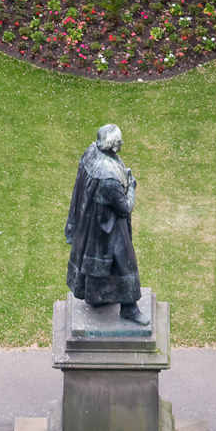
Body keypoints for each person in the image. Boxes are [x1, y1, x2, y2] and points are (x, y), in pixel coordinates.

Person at [64, 124, 150, 326]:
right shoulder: (108, 179)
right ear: (112, 145)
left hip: (91, 224)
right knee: (124, 264)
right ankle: (130, 308)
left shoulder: (92, 151)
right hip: (109, 228)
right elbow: (125, 207)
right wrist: (132, 187)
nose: (122, 144)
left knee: (100, 264)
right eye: (119, 141)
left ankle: (96, 296)